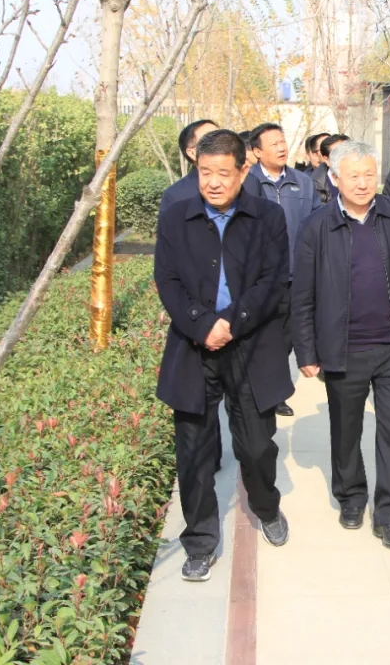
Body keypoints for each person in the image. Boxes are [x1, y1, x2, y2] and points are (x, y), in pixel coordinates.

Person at [155, 129, 294, 582]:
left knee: (256, 445)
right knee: (194, 451)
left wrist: (231, 323)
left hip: (251, 345)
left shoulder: (267, 217)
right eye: (204, 172)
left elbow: (273, 280)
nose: (213, 182)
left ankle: (266, 507)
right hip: (193, 346)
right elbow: (167, 280)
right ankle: (199, 541)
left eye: (222, 173)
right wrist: (202, 325)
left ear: (243, 170)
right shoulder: (175, 217)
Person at [293, 140, 390, 550]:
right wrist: (307, 351)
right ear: (334, 178)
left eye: (369, 174)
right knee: (346, 429)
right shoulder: (316, 226)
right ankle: (351, 496)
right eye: (353, 175)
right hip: (344, 348)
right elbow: (302, 294)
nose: (363, 183)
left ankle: (389, 514)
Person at [244, 123, 324, 417]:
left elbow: (317, 222)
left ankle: (275, 392)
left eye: (283, 141)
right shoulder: (247, 183)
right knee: (263, 338)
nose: (281, 147)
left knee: (287, 338)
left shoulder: (302, 182)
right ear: (256, 151)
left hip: (295, 276)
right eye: (274, 143)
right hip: (260, 279)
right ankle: (262, 391)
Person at [158, 119, 223, 472]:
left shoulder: (247, 186)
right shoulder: (177, 197)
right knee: (200, 402)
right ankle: (209, 458)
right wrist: (198, 320)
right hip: (198, 319)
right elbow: (169, 269)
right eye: (207, 139)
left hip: (240, 318)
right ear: (191, 152)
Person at [312, 133, 349, 204]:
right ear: (327, 160)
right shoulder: (314, 186)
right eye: (339, 155)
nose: (345, 157)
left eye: (348, 153)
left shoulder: (364, 180)